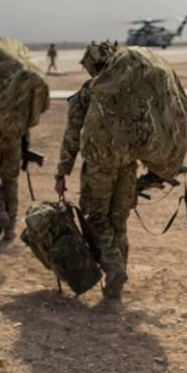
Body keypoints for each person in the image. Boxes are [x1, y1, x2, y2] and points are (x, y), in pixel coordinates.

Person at [53, 41, 133, 300]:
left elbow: (72, 137)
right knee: (118, 221)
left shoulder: (87, 94)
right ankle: (116, 282)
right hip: (128, 166)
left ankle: (114, 268)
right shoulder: (130, 93)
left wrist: (62, 173)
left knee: (96, 219)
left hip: (99, 168)